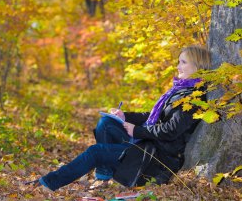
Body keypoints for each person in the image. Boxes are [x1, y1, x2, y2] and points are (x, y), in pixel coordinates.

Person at [28, 45, 211, 191]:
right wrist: (125, 116)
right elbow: (153, 117)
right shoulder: (179, 90)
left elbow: (171, 131)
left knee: (95, 152)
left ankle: (47, 183)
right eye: (179, 61)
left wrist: (136, 130)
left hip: (157, 157)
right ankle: (105, 177)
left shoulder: (193, 97)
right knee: (107, 123)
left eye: (183, 62)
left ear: (197, 66)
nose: (178, 66)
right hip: (147, 144)